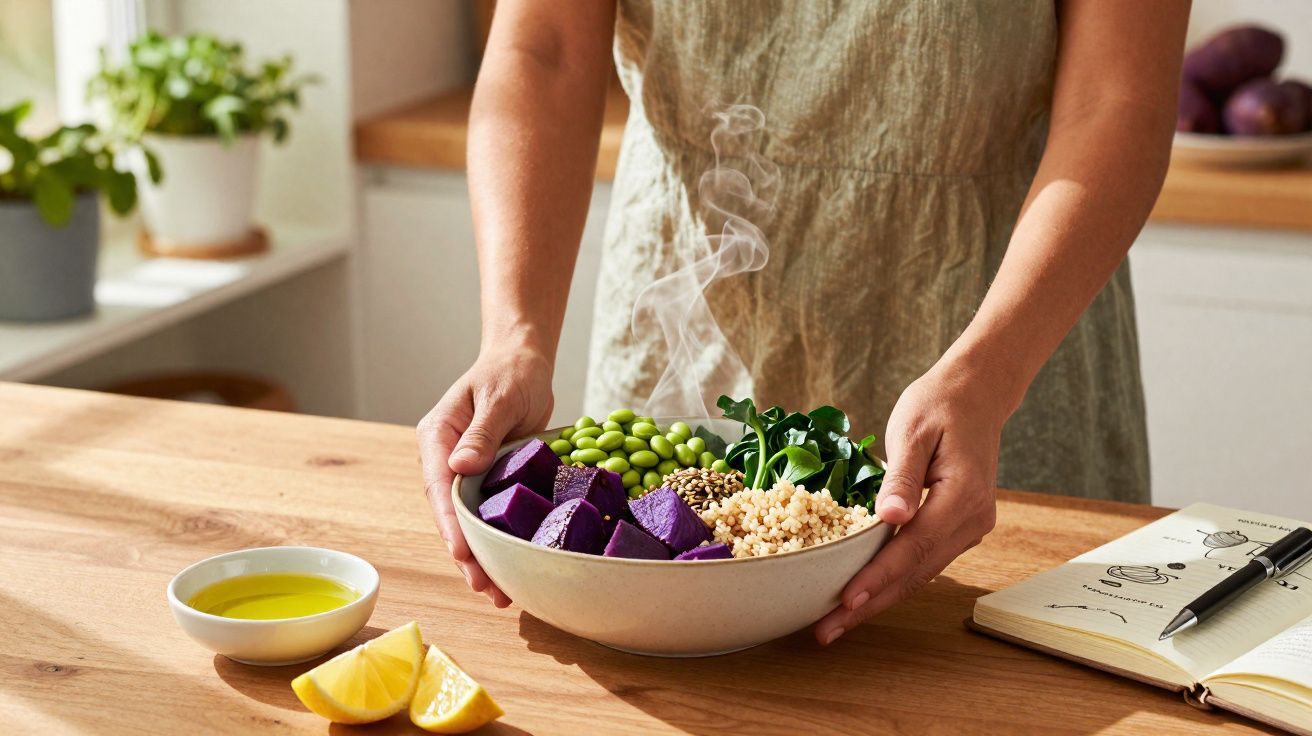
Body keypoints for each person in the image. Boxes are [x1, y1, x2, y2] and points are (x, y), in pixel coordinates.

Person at [417, 0, 1190, 645]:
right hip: (677, 318)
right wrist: (513, 335)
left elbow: (1116, 100)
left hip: (1000, 343)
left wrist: (990, 374)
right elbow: (542, 49)